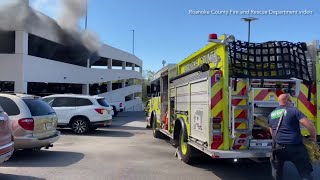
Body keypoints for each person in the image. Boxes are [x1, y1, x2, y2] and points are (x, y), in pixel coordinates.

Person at [268, 93, 316, 180]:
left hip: (278, 147)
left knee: (277, 173)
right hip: (295, 147)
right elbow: (309, 125)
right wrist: (313, 138)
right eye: (290, 100)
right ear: (287, 101)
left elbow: (272, 130)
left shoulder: (271, 114)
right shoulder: (293, 110)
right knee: (304, 172)